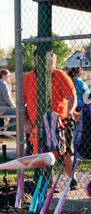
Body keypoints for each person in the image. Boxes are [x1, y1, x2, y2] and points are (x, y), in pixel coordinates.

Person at [23, 50, 76, 179]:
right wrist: (25, 123)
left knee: (66, 151)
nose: (49, 63)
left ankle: (71, 179)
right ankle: (44, 180)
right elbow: (20, 105)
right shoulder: (28, 78)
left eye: (51, 60)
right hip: (36, 123)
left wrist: (70, 111)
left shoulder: (60, 76)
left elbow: (72, 97)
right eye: (43, 60)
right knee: (40, 152)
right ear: (35, 61)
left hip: (60, 121)